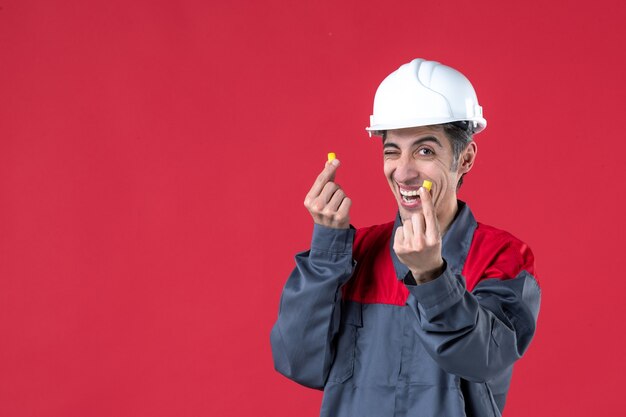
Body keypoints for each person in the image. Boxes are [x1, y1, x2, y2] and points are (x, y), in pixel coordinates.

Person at [270, 58, 541, 417]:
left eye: (425, 150)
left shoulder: (501, 256)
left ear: (466, 158)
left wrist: (432, 278)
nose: (404, 170)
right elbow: (297, 362)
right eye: (392, 150)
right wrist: (326, 253)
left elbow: (482, 361)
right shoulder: (355, 254)